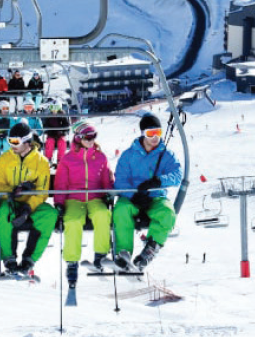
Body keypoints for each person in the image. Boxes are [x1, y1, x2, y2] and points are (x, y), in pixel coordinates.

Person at [112, 112, 182, 269]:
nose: (155, 137)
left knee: (167, 213)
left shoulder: (166, 155)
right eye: (151, 133)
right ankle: (123, 253)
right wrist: (133, 195)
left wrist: (159, 181)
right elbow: (121, 181)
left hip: (156, 197)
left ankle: (150, 249)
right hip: (132, 198)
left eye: (158, 132)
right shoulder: (128, 155)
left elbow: (177, 174)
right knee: (121, 210)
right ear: (143, 134)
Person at [0, 122, 59, 273]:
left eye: (15, 142)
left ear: (27, 141)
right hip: (10, 202)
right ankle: (9, 258)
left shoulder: (41, 162)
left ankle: (30, 259)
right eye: (10, 141)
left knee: (49, 214)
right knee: (5, 214)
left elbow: (42, 191)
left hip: (31, 204)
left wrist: (28, 208)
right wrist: (12, 191)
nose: (12, 145)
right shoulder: (5, 159)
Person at [54, 120, 114, 288]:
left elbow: (106, 179)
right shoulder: (67, 159)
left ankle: (100, 255)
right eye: (88, 137)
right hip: (74, 198)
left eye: (93, 136)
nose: (91, 140)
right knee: (73, 221)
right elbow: (60, 184)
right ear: (79, 138)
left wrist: (109, 193)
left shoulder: (100, 157)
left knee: (102, 215)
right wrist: (59, 203)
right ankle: (72, 262)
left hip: (95, 197)